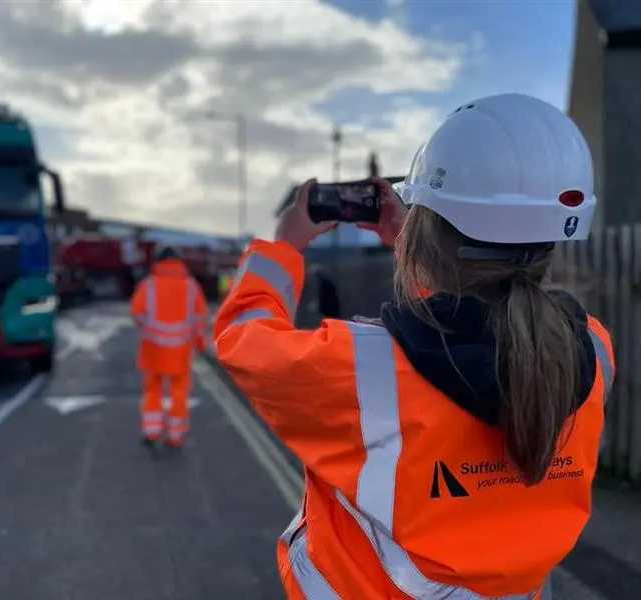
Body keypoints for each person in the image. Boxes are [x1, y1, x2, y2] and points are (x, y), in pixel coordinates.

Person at [213, 93, 614, 599]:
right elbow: (478, 333)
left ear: (429, 227)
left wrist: (282, 248)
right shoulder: (591, 350)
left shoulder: (361, 370)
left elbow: (244, 339)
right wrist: (419, 248)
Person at [130, 245, 209, 449]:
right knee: (179, 393)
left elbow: (136, 312)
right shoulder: (191, 286)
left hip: (154, 348)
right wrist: (199, 343)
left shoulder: (148, 285)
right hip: (181, 350)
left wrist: (148, 329)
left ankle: (152, 431)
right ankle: (175, 435)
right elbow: (200, 319)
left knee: (152, 390)